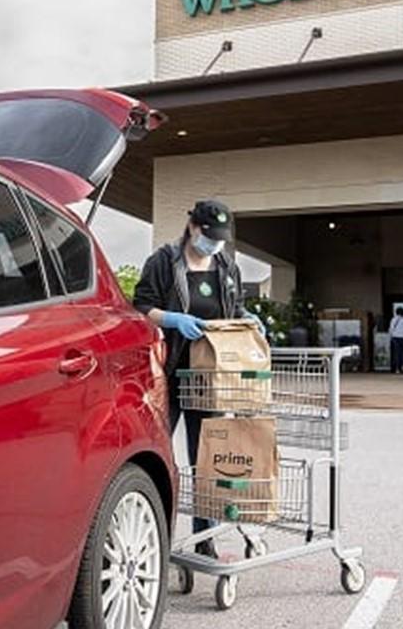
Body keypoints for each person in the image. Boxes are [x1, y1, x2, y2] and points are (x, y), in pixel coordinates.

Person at [132, 198, 262, 558]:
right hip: (171, 373)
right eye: (210, 236)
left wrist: (247, 317)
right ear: (193, 228)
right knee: (159, 457)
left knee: (205, 462)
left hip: (210, 379)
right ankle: (153, 541)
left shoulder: (226, 266)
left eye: (221, 238)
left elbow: (233, 309)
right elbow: (140, 307)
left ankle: (204, 541)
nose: (215, 244)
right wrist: (173, 319)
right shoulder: (163, 262)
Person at [389, 307, 403, 374]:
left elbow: (391, 329)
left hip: (395, 338)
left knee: (396, 353)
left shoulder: (393, 320)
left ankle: (397, 369)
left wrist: (390, 337)